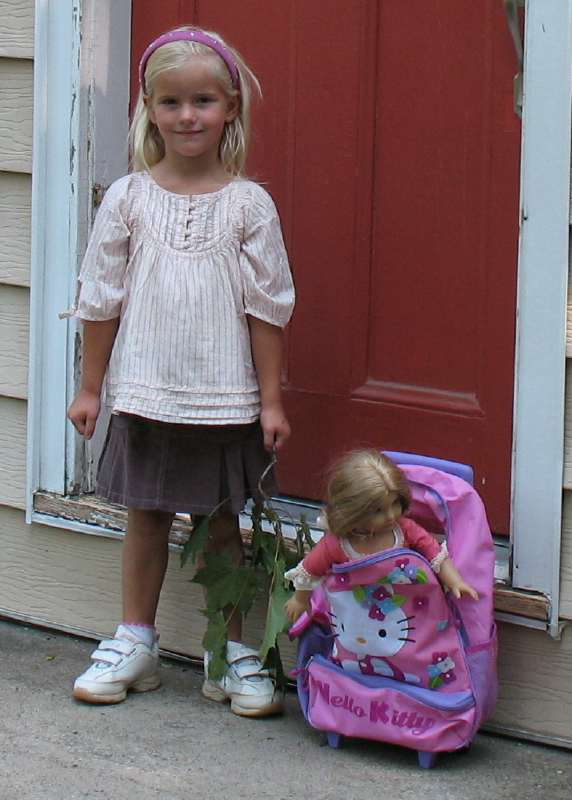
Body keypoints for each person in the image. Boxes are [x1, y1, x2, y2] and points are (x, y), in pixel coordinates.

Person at [65, 27, 295, 717]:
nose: (187, 115)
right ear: (148, 107)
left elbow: (267, 309)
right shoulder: (129, 199)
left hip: (226, 398)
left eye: (202, 100)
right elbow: (101, 298)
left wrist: (272, 401)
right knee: (145, 517)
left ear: (229, 107)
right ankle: (135, 639)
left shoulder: (250, 205)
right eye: (171, 102)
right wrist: (90, 386)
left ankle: (226, 654)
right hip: (144, 392)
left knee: (225, 526)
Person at [284, 450, 478, 624]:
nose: (391, 516)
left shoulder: (404, 530)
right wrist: (301, 599)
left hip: (412, 611)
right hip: (358, 617)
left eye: (395, 504)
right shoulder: (337, 544)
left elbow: (435, 553)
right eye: (377, 511)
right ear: (353, 511)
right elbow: (310, 571)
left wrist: (455, 582)